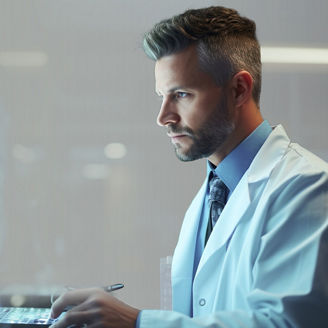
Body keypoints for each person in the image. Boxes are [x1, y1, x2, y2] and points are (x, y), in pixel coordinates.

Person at [49, 6, 328, 328]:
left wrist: (138, 322)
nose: (164, 117)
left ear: (239, 89)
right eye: (161, 96)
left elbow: (286, 324)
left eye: (181, 94)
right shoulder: (214, 193)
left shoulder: (306, 187)